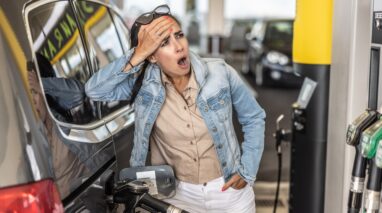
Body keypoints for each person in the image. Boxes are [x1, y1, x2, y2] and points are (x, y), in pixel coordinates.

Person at [85, 4, 265, 213]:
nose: (179, 46)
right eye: (163, 43)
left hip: (228, 192)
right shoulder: (143, 87)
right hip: (177, 196)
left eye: (179, 35)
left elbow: (254, 117)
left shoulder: (220, 72)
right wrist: (138, 53)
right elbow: (94, 91)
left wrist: (247, 171)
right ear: (151, 56)